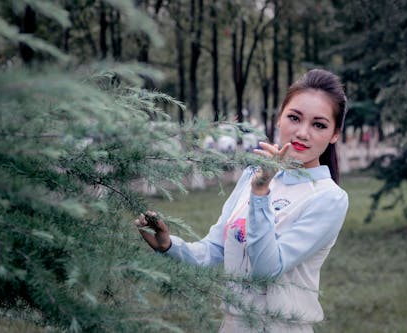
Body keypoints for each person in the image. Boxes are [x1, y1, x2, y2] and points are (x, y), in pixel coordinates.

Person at [134, 69, 349, 333]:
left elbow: (267, 270)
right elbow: (215, 249)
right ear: (280, 118)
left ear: (335, 134)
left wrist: (261, 194)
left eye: (319, 124)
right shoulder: (252, 175)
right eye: (294, 117)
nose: (303, 133)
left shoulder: (328, 198)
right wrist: (169, 246)